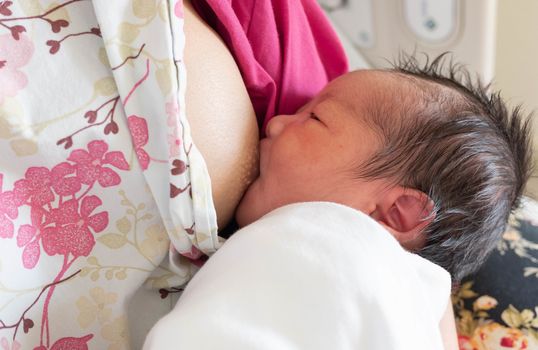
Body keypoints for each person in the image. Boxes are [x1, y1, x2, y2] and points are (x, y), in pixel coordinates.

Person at [143, 55, 532, 349]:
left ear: (396, 211)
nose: (275, 122)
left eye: (314, 119)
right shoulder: (420, 302)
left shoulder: (324, 238)